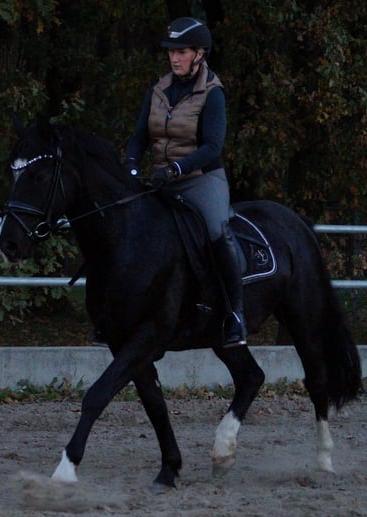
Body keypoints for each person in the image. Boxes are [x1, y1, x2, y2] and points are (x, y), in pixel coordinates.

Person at [124, 17, 247, 347]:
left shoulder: (212, 93)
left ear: (199, 54)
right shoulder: (159, 90)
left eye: (181, 51)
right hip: (160, 178)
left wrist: (177, 170)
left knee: (217, 232)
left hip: (200, 179)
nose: (174, 58)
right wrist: (132, 166)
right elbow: (138, 137)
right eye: (171, 52)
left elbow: (212, 147)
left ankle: (235, 313)